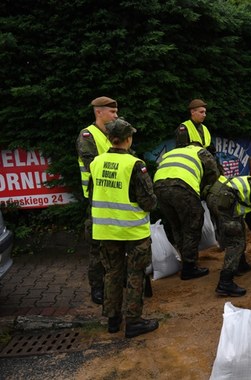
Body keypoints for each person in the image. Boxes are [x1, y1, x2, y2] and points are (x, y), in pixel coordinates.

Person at [89, 118, 159, 338]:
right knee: (135, 273)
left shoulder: (96, 162)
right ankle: (134, 321)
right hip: (133, 231)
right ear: (128, 139)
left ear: (110, 138)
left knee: (111, 272)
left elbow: (92, 194)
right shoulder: (135, 164)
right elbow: (148, 201)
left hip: (105, 230)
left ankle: (112, 319)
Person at [153, 142, 220, 280]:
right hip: (182, 187)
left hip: (159, 187)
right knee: (192, 224)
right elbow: (214, 175)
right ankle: (189, 267)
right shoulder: (201, 152)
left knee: (176, 224)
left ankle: (185, 259)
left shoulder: (173, 152)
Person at [76, 96, 118, 305]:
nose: (116, 115)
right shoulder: (87, 135)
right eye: (112, 112)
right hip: (97, 199)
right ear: (99, 112)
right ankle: (97, 288)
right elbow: (92, 163)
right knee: (97, 246)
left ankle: (116, 282)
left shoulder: (113, 133)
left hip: (116, 198)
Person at [205, 174, 251, 296]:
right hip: (224, 199)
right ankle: (225, 282)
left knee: (236, 228)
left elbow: (249, 217)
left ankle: (240, 264)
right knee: (236, 241)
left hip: (215, 195)